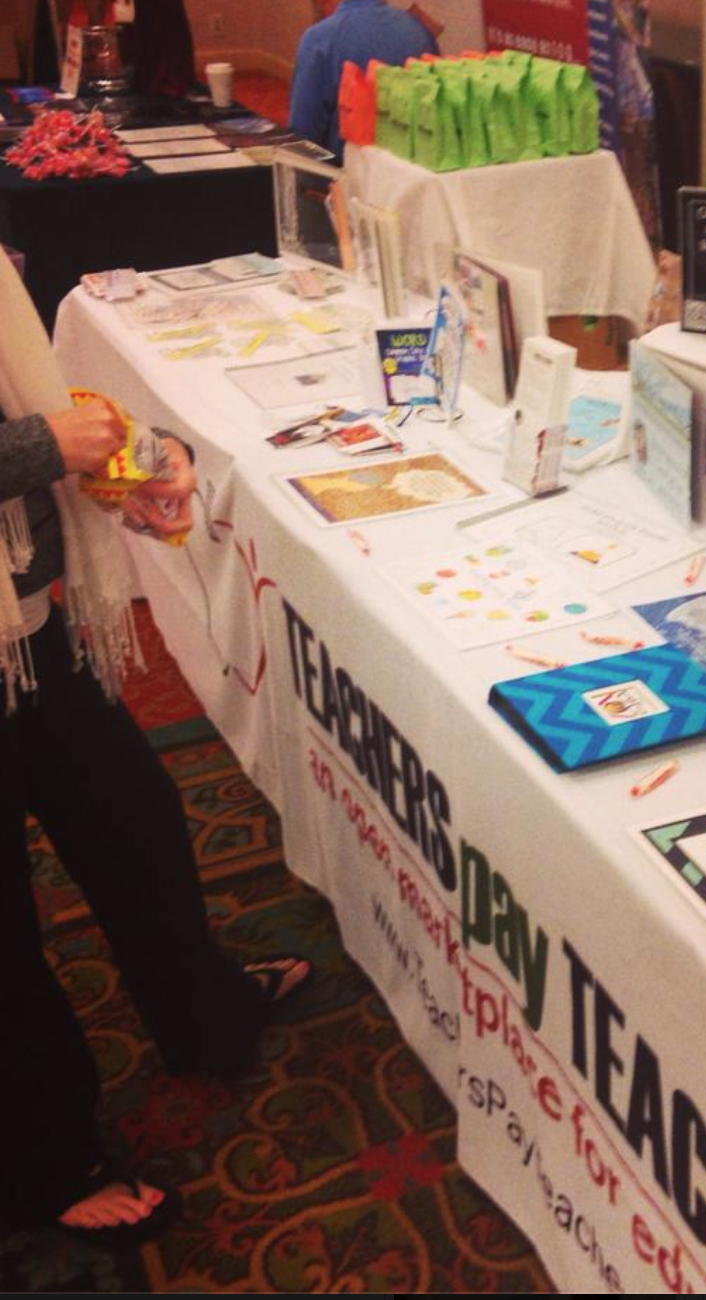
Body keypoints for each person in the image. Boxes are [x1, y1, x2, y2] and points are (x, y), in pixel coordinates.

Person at [0, 252, 309, 1244]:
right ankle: (42, 1159)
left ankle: (202, 1011)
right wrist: (40, 447)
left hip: (22, 616)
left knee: (133, 816)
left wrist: (119, 462)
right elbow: (31, 433)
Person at [288, 0, 442, 161]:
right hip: (412, 169)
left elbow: (302, 140)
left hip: (347, 171)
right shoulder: (420, 32)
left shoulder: (320, 38)